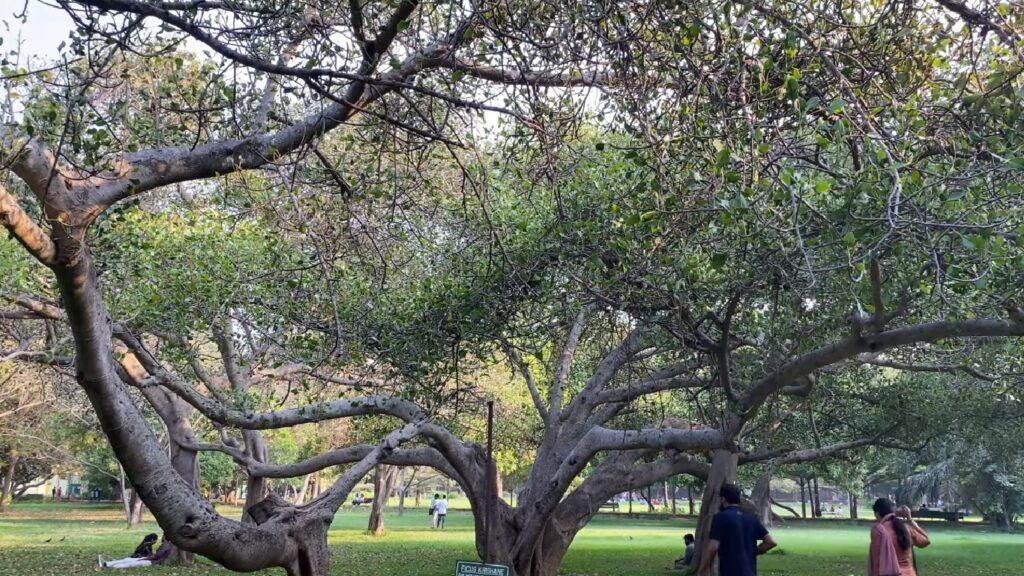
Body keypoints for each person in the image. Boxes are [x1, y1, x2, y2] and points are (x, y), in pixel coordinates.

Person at [698, 484, 777, 576]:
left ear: (723, 499)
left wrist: (704, 568)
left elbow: (713, 547)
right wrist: (752, 552)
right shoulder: (751, 518)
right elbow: (770, 542)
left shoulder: (720, 517)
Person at [868, 498, 930, 576]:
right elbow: (925, 541)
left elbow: (877, 561)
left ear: (877, 513)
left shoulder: (879, 531)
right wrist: (910, 520)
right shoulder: (905, 528)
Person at [99, 534, 173, 569]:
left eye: (163, 535)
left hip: (151, 562)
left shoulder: (165, 545)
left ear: (165, 537)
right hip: (149, 559)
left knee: (131, 563)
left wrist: (145, 558)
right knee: (128, 560)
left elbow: (156, 556)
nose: (161, 537)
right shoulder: (166, 545)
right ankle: (107, 564)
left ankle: (113, 566)